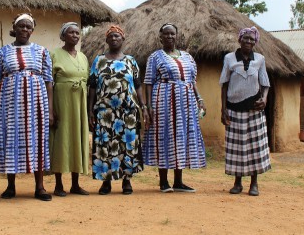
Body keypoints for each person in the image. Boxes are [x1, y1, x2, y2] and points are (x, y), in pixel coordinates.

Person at [0, 13, 54, 201]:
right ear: (15, 28)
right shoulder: (1, 52)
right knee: (10, 138)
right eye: (22, 26)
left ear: (32, 30)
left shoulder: (42, 51)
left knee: (37, 140)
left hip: (37, 102)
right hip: (10, 102)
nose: (25, 30)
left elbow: (49, 81)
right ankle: (10, 186)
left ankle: (40, 187)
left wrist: (50, 110)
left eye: (28, 27)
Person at [143, 23, 206, 193]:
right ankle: (163, 182)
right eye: (166, 34)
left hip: (186, 102)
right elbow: (148, 82)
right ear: (160, 37)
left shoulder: (188, 57)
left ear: (176, 36)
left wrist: (199, 99)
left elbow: (192, 81)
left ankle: (178, 181)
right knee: (164, 136)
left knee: (181, 138)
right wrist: (148, 106)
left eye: (172, 34)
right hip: (163, 101)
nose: (170, 37)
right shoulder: (155, 57)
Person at [88, 25, 148, 195]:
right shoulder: (98, 61)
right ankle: (106, 181)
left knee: (127, 145)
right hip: (104, 112)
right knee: (105, 145)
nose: (114, 39)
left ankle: (126, 181)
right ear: (106, 40)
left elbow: (137, 86)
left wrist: (143, 106)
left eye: (117, 36)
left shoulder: (130, 60)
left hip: (127, 111)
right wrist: (90, 110)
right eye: (111, 36)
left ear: (123, 39)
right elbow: (92, 86)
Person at [220, 26, 271, 196]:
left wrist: (264, 99)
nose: (248, 41)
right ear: (239, 39)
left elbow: (265, 84)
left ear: (255, 42)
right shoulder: (229, 59)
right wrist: (223, 108)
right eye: (245, 38)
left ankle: (254, 183)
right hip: (234, 109)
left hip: (254, 109)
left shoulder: (260, 59)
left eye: (252, 39)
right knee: (237, 148)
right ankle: (238, 182)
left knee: (255, 146)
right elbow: (224, 84)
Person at [50, 22, 90, 197]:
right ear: (63, 36)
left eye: (77, 33)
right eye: (71, 32)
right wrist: (51, 109)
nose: (75, 35)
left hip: (79, 102)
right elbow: (49, 82)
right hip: (62, 101)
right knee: (61, 138)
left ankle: (75, 183)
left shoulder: (83, 57)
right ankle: (58, 184)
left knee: (77, 137)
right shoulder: (54, 54)